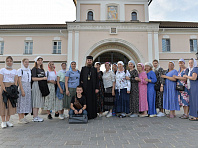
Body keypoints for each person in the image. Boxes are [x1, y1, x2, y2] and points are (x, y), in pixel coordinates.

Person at [0, 56, 18, 128]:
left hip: (12, 88)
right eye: (7, 61)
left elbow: (16, 81)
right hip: (4, 87)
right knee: (3, 104)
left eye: (10, 61)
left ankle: (8, 120)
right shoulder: (2, 70)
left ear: (12, 62)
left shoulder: (15, 71)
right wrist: (4, 89)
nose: (9, 62)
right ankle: (3, 121)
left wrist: (15, 88)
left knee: (10, 104)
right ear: (5, 62)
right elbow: (1, 80)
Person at [31, 56, 48, 122]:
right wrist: (42, 78)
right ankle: (34, 116)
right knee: (36, 100)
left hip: (41, 86)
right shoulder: (34, 69)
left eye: (41, 60)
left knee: (39, 101)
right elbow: (33, 78)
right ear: (36, 61)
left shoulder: (42, 69)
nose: (40, 61)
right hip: (36, 85)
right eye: (39, 60)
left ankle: (36, 115)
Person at [17, 58, 32, 124]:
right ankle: (20, 118)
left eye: (28, 62)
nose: (27, 63)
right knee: (21, 102)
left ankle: (23, 117)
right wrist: (22, 90)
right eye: (25, 62)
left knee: (26, 102)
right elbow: (19, 81)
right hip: (23, 86)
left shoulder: (29, 70)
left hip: (28, 86)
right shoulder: (20, 70)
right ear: (23, 63)